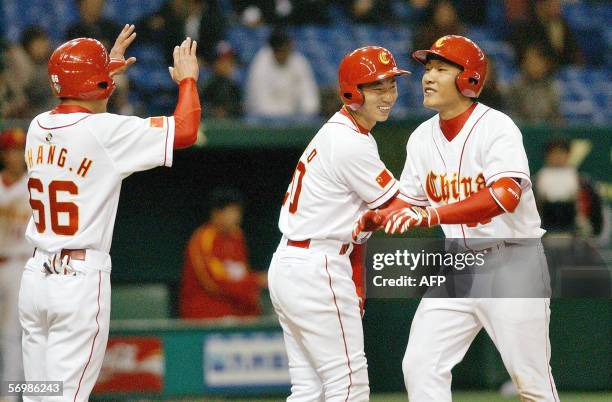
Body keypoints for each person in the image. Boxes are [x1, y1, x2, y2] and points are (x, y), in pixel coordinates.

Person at [353, 35, 559, 401]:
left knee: (533, 385)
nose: (427, 77)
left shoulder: (497, 127)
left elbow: (504, 196)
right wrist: (378, 217)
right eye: (427, 69)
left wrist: (430, 213)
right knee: (420, 364)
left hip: (512, 260)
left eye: (440, 69)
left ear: (469, 79)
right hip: (459, 264)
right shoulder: (421, 138)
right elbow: (411, 203)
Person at [18, 25, 200, 402]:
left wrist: (105, 68)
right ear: (97, 84)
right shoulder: (104, 131)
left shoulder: (37, 126)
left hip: (36, 278)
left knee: (38, 395)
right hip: (77, 282)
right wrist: (188, 81)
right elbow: (185, 129)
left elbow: (81, 99)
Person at [268, 46, 410, 401]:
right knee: (349, 383)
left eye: (391, 86)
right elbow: (399, 208)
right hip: (317, 266)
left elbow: (363, 223)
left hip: (294, 264)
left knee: (309, 390)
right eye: (377, 88)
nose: (388, 96)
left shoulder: (344, 133)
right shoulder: (349, 143)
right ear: (352, 92)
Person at [179, 188, 266, 319]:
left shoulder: (237, 236)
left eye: (237, 211)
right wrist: (256, 281)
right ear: (216, 213)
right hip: (205, 314)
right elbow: (214, 282)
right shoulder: (203, 238)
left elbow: (242, 273)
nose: (236, 217)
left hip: (235, 313)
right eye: (230, 211)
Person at [0, 128, 29, 402]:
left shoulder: (35, 185)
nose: (16, 156)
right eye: (11, 150)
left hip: (21, 265)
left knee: (11, 334)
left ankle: (9, 398)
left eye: (20, 150)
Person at [245, 28, 320, 119]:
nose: (285, 54)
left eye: (287, 49)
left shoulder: (299, 62)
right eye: (281, 50)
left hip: (295, 120)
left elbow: (309, 96)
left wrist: (306, 115)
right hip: (265, 123)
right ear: (273, 50)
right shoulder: (260, 65)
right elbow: (261, 105)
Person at [507, 44, 562, 124]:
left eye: (537, 60)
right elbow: (512, 115)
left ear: (546, 64)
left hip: (546, 133)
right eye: (530, 60)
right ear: (524, 63)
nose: (533, 64)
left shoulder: (553, 87)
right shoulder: (515, 86)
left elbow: (557, 118)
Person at [201, 41, 243, 119]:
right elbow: (199, 108)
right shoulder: (207, 84)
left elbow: (239, 110)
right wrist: (213, 112)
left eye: (229, 60)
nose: (225, 64)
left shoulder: (235, 86)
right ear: (214, 63)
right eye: (221, 61)